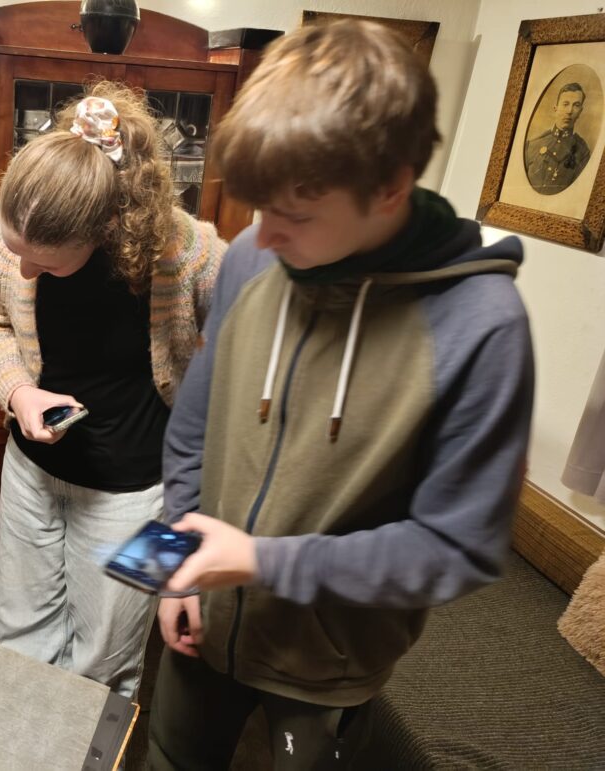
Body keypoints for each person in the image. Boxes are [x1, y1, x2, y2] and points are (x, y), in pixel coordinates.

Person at [148, 20, 535, 770]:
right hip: (203, 618)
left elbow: (457, 547)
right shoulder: (250, 261)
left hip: (325, 665)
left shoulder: (483, 327)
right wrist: (174, 559)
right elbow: (194, 428)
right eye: (259, 207)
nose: (262, 237)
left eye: (294, 215)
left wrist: (263, 562)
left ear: (390, 188)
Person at [0, 81, 227, 698]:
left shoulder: (190, 253)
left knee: (110, 663)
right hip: (32, 475)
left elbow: (243, 355)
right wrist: (18, 393)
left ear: (107, 227)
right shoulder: (4, 231)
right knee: (20, 640)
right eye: (17, 251)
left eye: (45, 263)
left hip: (144, 495)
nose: (24, 269)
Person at [525, 82, 592, 194]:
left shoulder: (583, 153)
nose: (569, 111)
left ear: (580, 111)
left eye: (576, 105)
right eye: (565, 104)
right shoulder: (532, 144)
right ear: (556, 108)